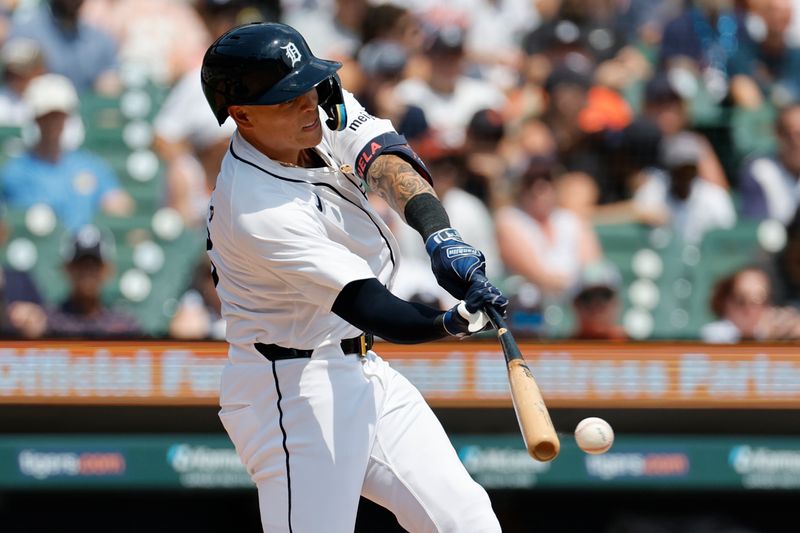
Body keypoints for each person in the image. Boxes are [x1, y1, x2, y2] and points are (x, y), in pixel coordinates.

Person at [201, 22, 507, 532]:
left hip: (361, 369)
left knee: (468, 520)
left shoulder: (315, 111)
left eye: (309, 87)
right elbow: (373, 307)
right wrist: (453, 321)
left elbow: (387, 158)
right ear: (242, 115)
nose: (307, 105)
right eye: (287, 97)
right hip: (290, 390)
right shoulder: (256, 208)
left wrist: (438, 234)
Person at [0, 74, 134, 232]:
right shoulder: (14, 171)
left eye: (59, 116)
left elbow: (118, 202)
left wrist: (118, 207)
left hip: (81, 252)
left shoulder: (89, 165)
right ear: (36, 119)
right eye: (47, 117)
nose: (53, 124)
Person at [45, 224, 142, 338]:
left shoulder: (124, 326)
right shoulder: (49, 324)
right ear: (68, 268)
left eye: (95, 264)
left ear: (108, 270)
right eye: (80, 263)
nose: (88, 271)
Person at [701, 265, 800, 342]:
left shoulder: (776, 330)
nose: (750, 308)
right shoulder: (715, 334)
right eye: (741, 300)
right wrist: (767, 340)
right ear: (725, 303)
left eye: (760, 300)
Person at [739, 103, 800, 225]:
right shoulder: (761, 170)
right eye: (789, 134)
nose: (796, 142)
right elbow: (758, 229)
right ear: (777, 134)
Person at [570, 259, 626, 341]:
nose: (596, 304)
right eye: (588, 297)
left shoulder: (638, 349)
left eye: (605, 295)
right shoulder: (560, 350)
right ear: (575, 304)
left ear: (617, 303)